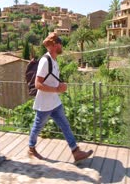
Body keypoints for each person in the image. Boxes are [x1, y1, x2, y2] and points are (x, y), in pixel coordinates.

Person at [28, 32, 93, 163]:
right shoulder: (45, 61)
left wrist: (60, 86)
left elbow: (51, 80)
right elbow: (38, 84)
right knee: (38, 126)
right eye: (60, 43)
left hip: (54, 102)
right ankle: (31, 147)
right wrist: (57, 89)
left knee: (65, 125)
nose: (61, 45)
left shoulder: (54, 60)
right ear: (54, 45)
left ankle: (76, 151)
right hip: (45, 103)